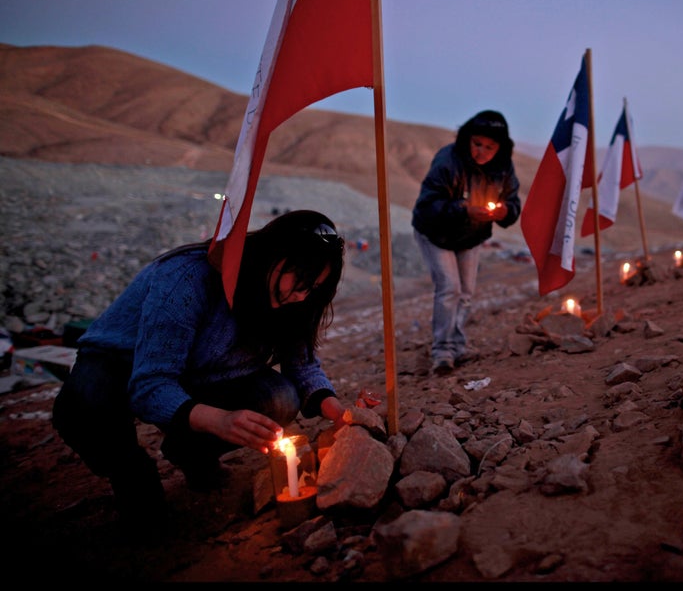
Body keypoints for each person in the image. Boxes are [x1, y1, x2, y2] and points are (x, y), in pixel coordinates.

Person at [52, 209, 349, 537]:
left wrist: (338, 412)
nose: (302, 296)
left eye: (315, 288)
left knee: (277, 398)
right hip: (124, 363)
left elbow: (302, 365)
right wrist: (220, 420)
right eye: (301, 281)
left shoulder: (295, 301)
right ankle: (132, 473)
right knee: (84, 410)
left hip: (206, 373)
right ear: (274, 255)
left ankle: (191, 453)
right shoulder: (187, 279)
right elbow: (152, 381)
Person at [411, 110, 521, 376]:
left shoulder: (504, 167)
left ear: (500, 147)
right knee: (449, 288)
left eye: (489, 147)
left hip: (471, 237)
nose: (481, 151)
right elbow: (428, 206)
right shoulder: (448, 161)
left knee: (466, 292)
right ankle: (442, 352)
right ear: (467, 138)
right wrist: (463, 209)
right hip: (436, 234)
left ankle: (457, 345)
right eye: (477, 143)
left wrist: (504, 211)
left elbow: (514, 203)